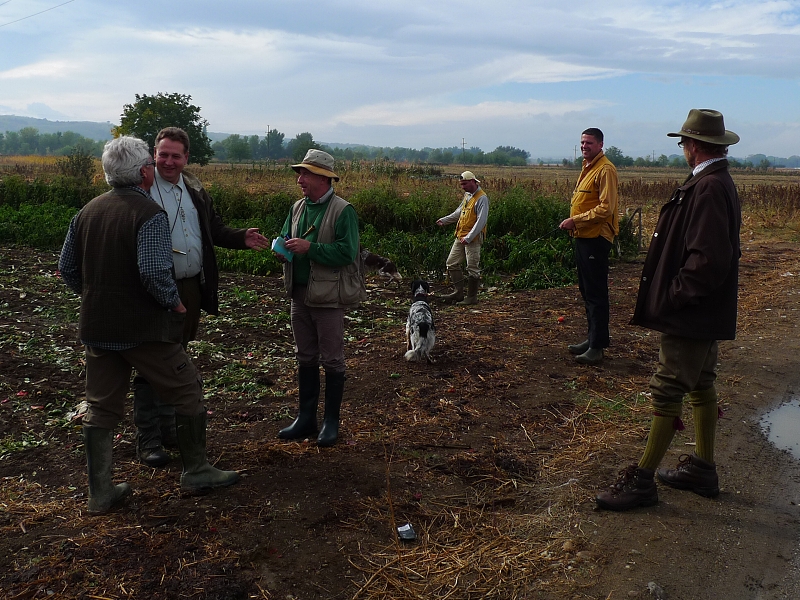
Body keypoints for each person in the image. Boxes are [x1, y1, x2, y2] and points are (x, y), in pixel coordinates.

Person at [58, 136, 239, 515]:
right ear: (144, 172)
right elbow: (155, 271)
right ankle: (197, 470)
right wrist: (174, 304)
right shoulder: (149, 213)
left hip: (98, 327)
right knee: (188, 390)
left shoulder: (87, 211)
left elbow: (67, 269)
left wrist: (97, 297)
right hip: (143, 328)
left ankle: (101, 493)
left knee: (101, 406)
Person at [595, 109, 741, 511]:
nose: (683, 150)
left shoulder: (708, 187)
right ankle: (702, 468)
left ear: (693, 146)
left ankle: (641, 480)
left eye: (683, 144)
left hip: (692, 311)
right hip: (703, 310)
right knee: (701, 382)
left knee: (668, 386)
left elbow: (709, 259)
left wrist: (675, 297)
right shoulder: (712, 181)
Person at [133, 127, 269, 468]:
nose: (168, 161)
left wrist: (242, 238)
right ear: (153, 154)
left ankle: (168, 431)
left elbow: (213, 229)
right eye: (162, 154)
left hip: (190, 286)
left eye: (175, 155)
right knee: (151, 363)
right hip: (153, 287)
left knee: (176, 359)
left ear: (186, 158)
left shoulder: (193, 188)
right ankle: (148, 440)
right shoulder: (141, 190)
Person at [275, 149, 363, 447]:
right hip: (298, 295)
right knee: (305, 356)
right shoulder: (297, 207)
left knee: (333, 360)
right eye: (300, 174)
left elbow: (347, 253)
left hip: (327, 297)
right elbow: (287, 237)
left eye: (305, 174)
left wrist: (309, 249)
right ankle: (306, 418)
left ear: (323, 178)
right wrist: (282, 249)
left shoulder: (343, 211)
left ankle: (330, 422)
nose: (300, 179)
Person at [560, 128, 619, 365]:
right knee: (587, 292)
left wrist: (576, 220)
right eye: (582, 142)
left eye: (589, 143)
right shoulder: (587, 168)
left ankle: (597, 347)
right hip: (583, 237)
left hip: (596, 238)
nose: (585, 146)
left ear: (601, 144)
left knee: (596, 294)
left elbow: (606, 208)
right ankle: (591, 338)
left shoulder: (606, 170)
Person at [436, 171, 489, 305]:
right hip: (460, 235)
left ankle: (471, 298)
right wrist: (444, 220)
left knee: (472, 267)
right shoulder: (467, 195)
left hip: (473, 238)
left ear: (473, 181)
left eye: (465, 184)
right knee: (451, 263)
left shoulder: (482, 198)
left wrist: (469, 237)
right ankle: (459, 292)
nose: (463, 187)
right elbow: (459, 212)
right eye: (461, 184)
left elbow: (481, 221)